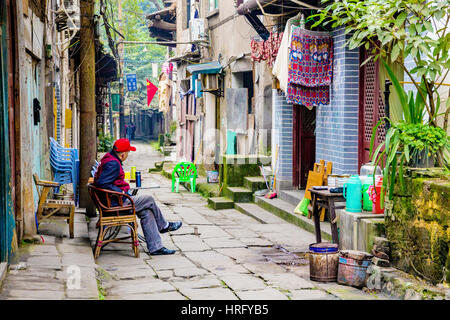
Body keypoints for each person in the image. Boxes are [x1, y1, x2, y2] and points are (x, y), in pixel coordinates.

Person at [94, 138, 182, 255]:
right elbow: (102, 183)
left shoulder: (110, 158)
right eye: (128, 153)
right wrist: (122, 192)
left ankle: (156, 247)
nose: (128, 156)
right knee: (149, 199)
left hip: (113, 200)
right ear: (123, 153)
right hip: (116, 203)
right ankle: (164, 226)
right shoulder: (113, 163)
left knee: (146, 212)